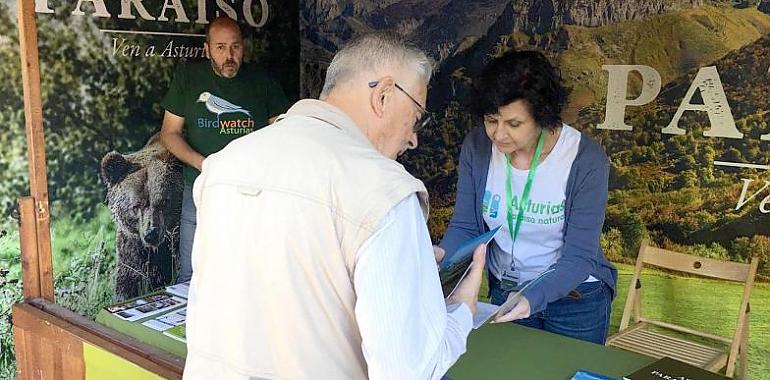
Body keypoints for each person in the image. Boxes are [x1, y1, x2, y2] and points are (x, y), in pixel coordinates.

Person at [182, 33, 486, 380]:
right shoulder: (384, 190)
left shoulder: (224, 164)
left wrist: (400, 257)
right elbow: (406, 371)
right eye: (417, 116)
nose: (414, 137)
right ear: (384, 95)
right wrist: (461, 309)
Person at [438, 50, 618, 345]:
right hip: (506, 292)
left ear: (542, 115)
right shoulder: (477, 146)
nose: (498, 134)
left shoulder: (585, 159)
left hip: (577, 299)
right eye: (491, 120)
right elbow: (466, 228)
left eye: (514, 124)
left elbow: (580, 257)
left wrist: (531, 298)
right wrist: (443, 259)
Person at [159, 16, 289, 284]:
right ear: (207, 50)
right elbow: (169, 134)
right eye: (220, 48)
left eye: (235, 47)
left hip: (249, 196)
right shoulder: (188, 78)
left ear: (244, 47)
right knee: (190, 277)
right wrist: (203, 164)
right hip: (199, 191)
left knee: (246, 276)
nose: (229, 56)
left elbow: (283, 136)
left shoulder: (262, 82)